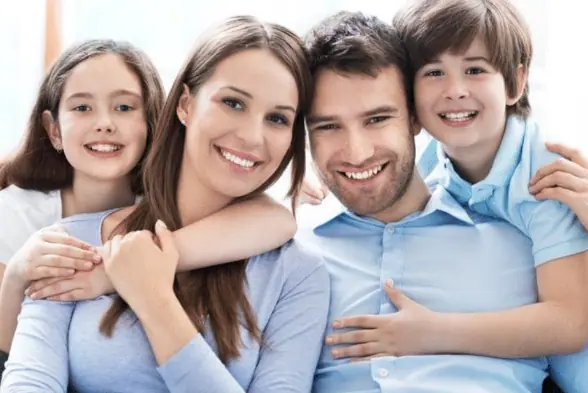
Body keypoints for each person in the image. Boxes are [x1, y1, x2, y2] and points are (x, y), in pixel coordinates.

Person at [1, 27, 326, 390]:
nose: (252, 137)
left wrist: (154, 300)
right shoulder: (68, 243)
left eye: (278, 119)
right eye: (232, 103)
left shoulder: (299, 273)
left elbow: (279, 219)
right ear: (185, 104)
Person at [295, 11, 584, 392]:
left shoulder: (545, 179)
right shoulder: (290, 242)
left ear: (412, 118)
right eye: (328, 127)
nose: (357, 152)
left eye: (378, 118)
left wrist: (433, 332)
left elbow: (573, 322)